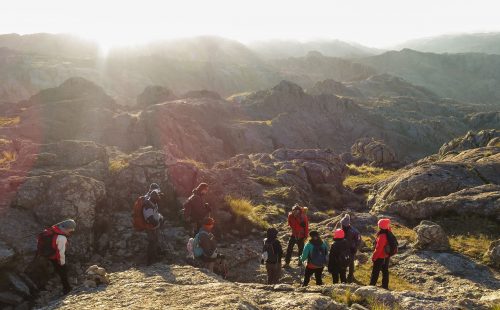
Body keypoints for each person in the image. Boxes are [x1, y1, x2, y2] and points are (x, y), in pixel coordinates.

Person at [41, 219, 76, 295]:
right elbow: (61, 253)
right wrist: (62, 264)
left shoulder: (54, 228)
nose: (70, 232)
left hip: (48, 253)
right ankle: (67, 288)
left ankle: (57, 277)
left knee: (58, 268)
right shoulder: (62, 238)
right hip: (55, 257)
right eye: (70, 230)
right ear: (66, 228)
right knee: (63, 272)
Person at [143, 187, 165, 265]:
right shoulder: (148, 206)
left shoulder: (153, 204)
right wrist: (158, 222)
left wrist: (159, 217)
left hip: (153, 227)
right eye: (158, 197)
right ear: (154, 198)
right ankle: (150, 261)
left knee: (154, 242)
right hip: (150, 228)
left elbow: (154, 214)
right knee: (152, 242)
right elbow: (150, 219)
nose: (159, 198)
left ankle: (154, 259)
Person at [370, 218, 392, 289]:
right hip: (387, 256)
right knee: (385, 271)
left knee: (375, 272)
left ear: (380, 226)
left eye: (379, 225)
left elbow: (378, 248)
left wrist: (374, 257)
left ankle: (371, 286)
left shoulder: (382, 236)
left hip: (380, 256)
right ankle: (385, 286)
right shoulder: (389, 232)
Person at [340, 214, 361, 282]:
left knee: (351, 262)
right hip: (343, 249)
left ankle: (350, 276)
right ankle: (344, 275)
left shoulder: (354, 231)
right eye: (341, 224)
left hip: (351, 249)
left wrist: (355, 248)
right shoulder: (341, 230)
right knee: (344, 262)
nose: (342, 225)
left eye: (342, 224)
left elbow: (358, 240)